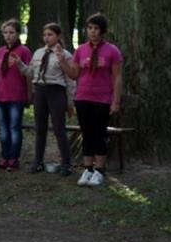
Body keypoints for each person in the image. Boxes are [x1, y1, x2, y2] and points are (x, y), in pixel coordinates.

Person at [57, 12, 123, 187]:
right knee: (86, 134)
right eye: (90, 28)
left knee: (99, 134)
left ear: (102, 31)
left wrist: (115, 101)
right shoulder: (81, 50)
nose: (92, 32)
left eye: (96, 28)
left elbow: (117, 77)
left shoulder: (112, 51)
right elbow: (74, 74)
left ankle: (100, 170)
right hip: (83, 98)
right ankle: (88, 169)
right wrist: (63, 62)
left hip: (102, 99)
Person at [14, 23, 76, 176]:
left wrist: (69, 103)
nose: (47, 38)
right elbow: (31, 72)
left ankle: (66, 163)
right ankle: (38, 162)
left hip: (56, 92)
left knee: (58, 128)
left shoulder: (65, 55)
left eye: (50, 35)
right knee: (40, 128)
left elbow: (70, 81)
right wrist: (19, 64)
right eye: (45, 35)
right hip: (40, 91)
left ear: (58, 36)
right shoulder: (38, 53)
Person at [0, 19, 32, 171]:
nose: (8, 36)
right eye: (5, 33)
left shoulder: (24, 51)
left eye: (11, 32)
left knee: (14, 128)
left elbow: (29, 75)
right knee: (4, 129)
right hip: (0, 96)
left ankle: (14, 158)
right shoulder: (1, 51)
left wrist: (28, 95)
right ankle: (4, 157)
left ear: (18, 34)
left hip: (16, 97)